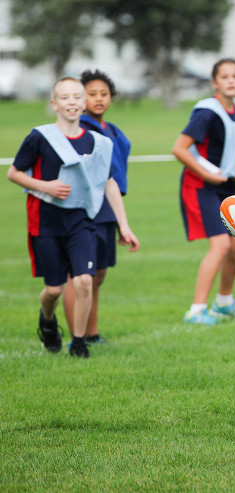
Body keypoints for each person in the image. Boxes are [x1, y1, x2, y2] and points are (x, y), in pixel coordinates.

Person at [6, 77, 139, 358]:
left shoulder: (99, 143)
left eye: (77, 97)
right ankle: (47, 321)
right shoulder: (40, 137)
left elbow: (109, 182)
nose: (72, 103)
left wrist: (124, 226)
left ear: (84, 103)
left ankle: (78, 342)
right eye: (65, 98)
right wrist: (46, 186)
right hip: (46, 221)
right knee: (53, 289)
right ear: (54, 104)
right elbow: (14, 173)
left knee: (84, 281)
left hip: (82, 220)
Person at [172, 58, 235, 325]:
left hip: (225, 185)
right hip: (201, 185)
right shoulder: (206, 111)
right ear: (215, 83)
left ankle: (224, 304)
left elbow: (232, 144)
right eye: (224, 77)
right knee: (220, 245)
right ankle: (195, 311)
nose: (230, 80)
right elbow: (179, 149)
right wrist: (207, 174)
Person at [61, 69, 135, 344]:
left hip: (108, 204)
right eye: (91, 94)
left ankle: (91, 333)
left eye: (104, 94)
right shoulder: (77, 128)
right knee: (80, 274)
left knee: (98, 273)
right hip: (84, 205)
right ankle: (76, 336)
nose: (98, 99)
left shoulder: (111, 129)